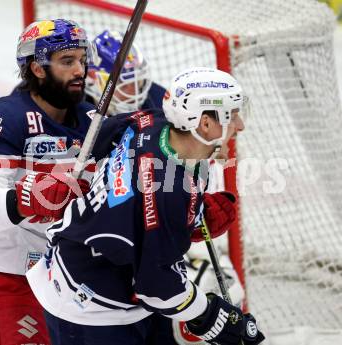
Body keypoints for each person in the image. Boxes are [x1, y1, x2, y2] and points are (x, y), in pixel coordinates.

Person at [27, 67, 265, 345]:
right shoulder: (171, 192)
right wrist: (211, 314)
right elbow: (157, 288)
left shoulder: (153, 121)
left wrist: (191, 214)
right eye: (232, 115)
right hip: (91, 309)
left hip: (110, 280)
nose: (240, 126)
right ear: (205, 124)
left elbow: (100, 138)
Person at [86, 30, 245, 345]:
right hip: (98, 254)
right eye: (125, 82)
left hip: (146, 232)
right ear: (96, 81)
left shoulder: (161, 104)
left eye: (139, 80)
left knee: (220, 291)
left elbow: (190, 161)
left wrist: (194, 211)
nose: (136, 90)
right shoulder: (77, 109)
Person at [0, 19, 95, 345]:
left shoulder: (93, 121)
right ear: (38, 68)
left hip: (68, 277)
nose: (80, 71)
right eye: (67, 61)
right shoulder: (4, 118)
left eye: (82, 60)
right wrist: (24, 198)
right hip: (5, 274)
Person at [85, 30, 166, 115]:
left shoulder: (160, 102)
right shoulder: (75, 110)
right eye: (122, 84)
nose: (134, 93)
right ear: (93, 80)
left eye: (138, 82)